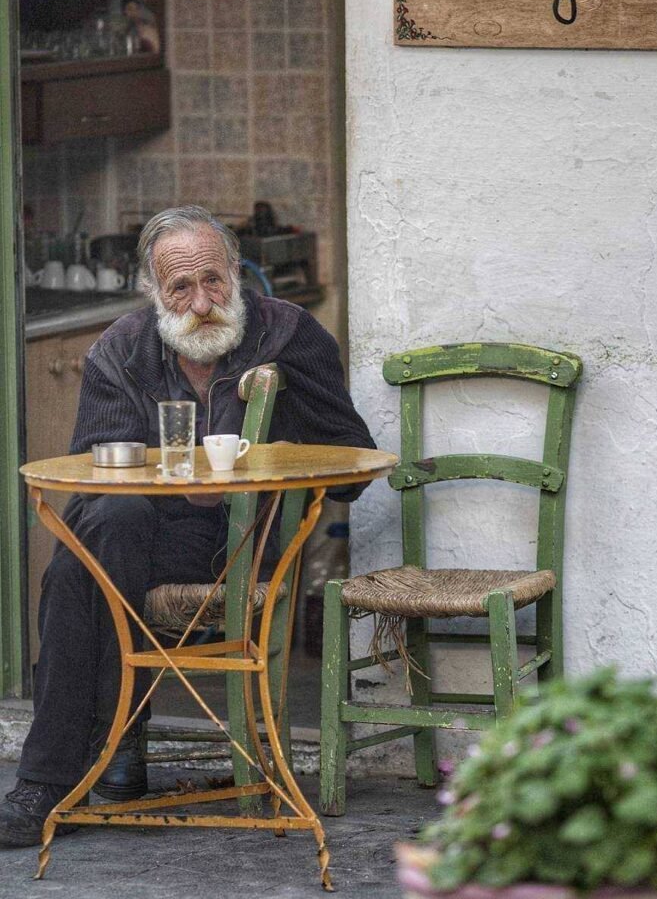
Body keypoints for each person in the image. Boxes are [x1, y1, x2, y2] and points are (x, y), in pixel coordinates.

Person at [0, 205, 377, 846]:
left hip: (247, 545)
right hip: (143, 537)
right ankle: (70, 766)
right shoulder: (121, 349)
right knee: (100, 533)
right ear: (152, 292)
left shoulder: (289, 335)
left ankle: (63, 773)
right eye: (181, 287)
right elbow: (97, 479)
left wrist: (271, 445)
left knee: (77, 570)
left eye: (214, 281)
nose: (202, 303)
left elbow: (350, 467)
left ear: (237, 273)